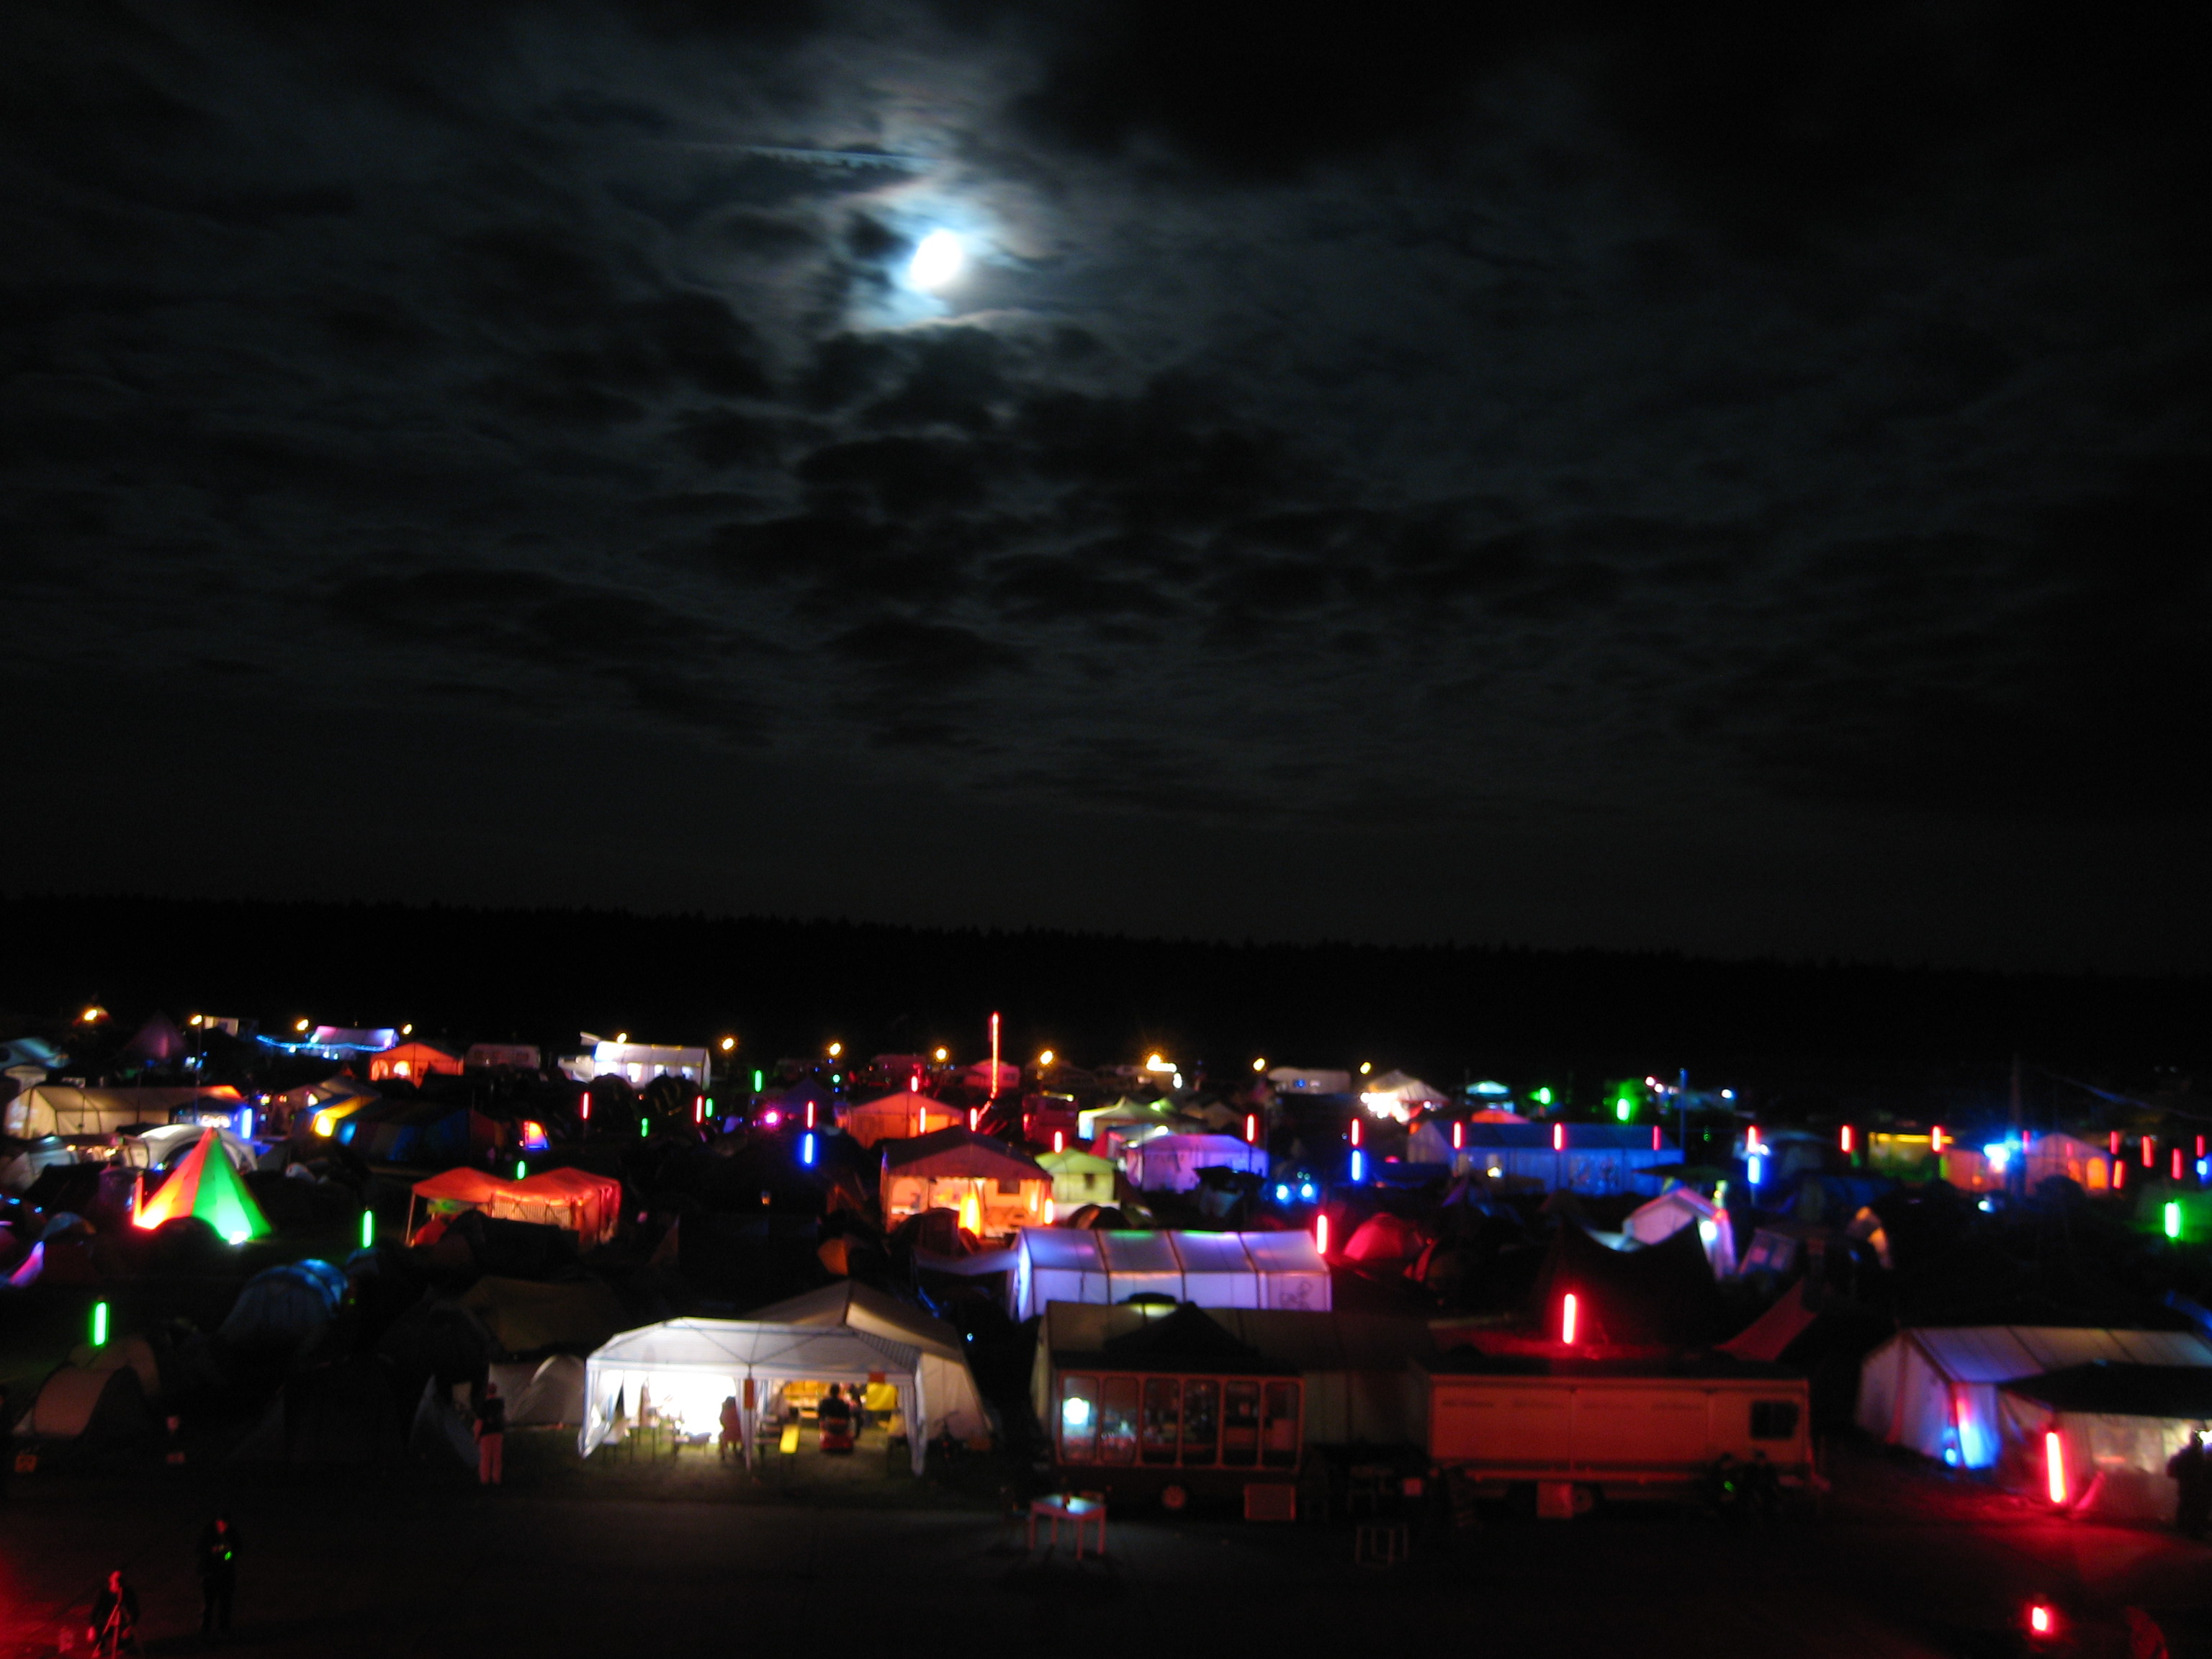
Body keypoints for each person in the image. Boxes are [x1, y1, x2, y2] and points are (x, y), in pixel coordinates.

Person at [197, 1514, 240, 1638]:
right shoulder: (208, 1533)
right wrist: (213, 1551)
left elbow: (236, 1551)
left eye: (225, 1523)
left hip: (226, 1574)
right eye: (220, 1523)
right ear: (216, 1522)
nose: (223, 1526)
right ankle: (204, 1632)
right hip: (210, 1574)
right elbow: (200, 1549)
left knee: (225, 1604)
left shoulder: (232, 1533)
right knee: (208, 1605)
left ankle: (224, 1631)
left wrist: (228, 1555)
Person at [2167, 1426, 2210, 1539]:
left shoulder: (2189, 1453)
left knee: (2188, 1507)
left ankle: (2187, 1530)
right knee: (2194, 1507)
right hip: (2195, 1487)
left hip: (2191, 1487)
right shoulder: (2196, 1454)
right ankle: (2192, 1531)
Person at [89, 1569, 139, 1657]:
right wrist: (91, 1627)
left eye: (120, 1581)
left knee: (127, 1635)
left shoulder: (128, 1593)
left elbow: (135, 1611)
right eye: (116, 1581)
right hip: (106, 1621)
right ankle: (100, 1648)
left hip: (122, 1622)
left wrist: (130, 1627)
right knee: (95, 1633)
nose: (118, 1584)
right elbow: (95, 1611)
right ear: (111, 1581)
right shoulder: (103, 1593)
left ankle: (122, 1647)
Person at [475, 1381, 506, 1486]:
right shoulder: (500, 1403)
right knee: (497, 1459)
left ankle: (485, 1480)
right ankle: (496, 1479)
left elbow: (479, 1422)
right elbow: (502, 1418)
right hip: (497, 1433)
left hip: (486, 1435)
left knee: (485, 1459)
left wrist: (476, 1436)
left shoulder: (483, 1405)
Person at [817, 1383, 853, 1454]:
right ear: (839, 1392)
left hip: (829, 1425)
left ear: (830, 1392)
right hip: (842, 1426)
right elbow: (848, 1416)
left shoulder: (825, 1402)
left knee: (824, 1420)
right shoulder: (843, 1403)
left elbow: (820, 1413)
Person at [718, 1395, 742, 1463]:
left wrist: (726, 1426)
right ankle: (737, 1449)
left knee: (721, 1436)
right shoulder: (738, 1411)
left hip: (728, 1433)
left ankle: (722, 1453)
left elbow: (721, 1420)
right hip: (739, 1433)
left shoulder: (725, 1411)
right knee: (735, 1431)